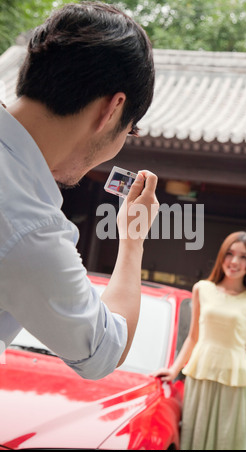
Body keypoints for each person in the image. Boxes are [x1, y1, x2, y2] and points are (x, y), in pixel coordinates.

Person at [0, 2, 159, 380]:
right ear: (111, 109)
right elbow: (104, 350)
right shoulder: (29, 226)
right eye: (129, 130)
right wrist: (133, 240)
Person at [154, 232, 246, 450]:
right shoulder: (202, 289)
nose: (234, 262)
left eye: (243, 257)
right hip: (200, 378)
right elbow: (193, 337)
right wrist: (173, 369)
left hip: (235, 386)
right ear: (221, 256)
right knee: (194, 443)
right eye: (230, 254)